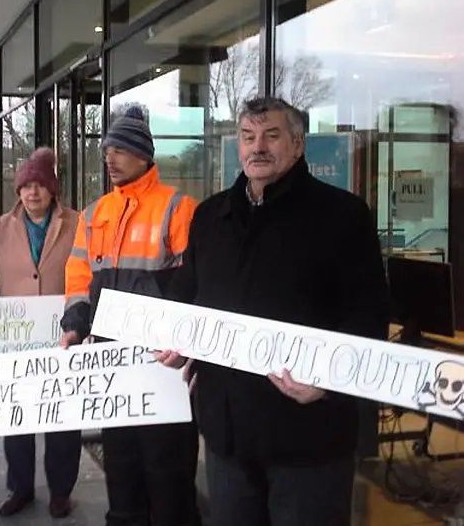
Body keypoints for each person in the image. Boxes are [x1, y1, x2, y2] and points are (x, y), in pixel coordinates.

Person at [157, 96, 391, 526]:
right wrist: (174, 335)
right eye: (248, 137)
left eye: (271, 135)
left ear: (298, 145)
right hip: (227, 435)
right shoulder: (211, 217)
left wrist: (331, 380)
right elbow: (184, 291)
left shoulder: (342, 216)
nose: (257, 147)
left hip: (309, 438)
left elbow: (368, 313)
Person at [59, 105, 202, 526]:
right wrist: (73, 324)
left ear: (144, 154)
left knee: (169, 474)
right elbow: (79, 275)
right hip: (112, 366)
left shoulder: (178, 208)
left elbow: (191, 284)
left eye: (120, 149)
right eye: (107, 150)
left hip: (163, 366)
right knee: (121, 471)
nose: (111, 157)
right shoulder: (94, 212)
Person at [0, 147, 82, 519]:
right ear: (18, 191)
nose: (33, 193)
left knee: (63, 418)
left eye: (40, 185)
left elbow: (87, 273)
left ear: (52, 189)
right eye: (26, 186)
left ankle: (60, 492)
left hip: (63, 336)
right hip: (16, 337)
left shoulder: (77, 222)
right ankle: (19, 488)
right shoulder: (4, 226)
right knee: (17, 417)